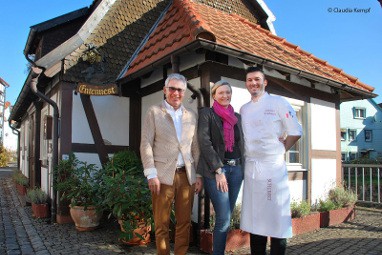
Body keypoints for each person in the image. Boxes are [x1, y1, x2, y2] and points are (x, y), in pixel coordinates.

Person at [240, 66, 302, 255]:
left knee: (276, 219)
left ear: (265, 82)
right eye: (250, 80)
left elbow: (296, 131)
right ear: (246, 84)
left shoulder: (278, 103)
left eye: (257, 79)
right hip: (252, 168)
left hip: (272, 167)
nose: (254, 83)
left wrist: (282, 148)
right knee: (255, 219)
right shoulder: (244, 109)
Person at [140, 73, 203, 255]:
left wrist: (197, 175)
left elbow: (196, 147)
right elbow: (146, 143)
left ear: (184, 92)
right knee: (161, 223)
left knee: (184, 223)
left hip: (186, 176)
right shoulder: (154, 112)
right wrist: (151, 173)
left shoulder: (191, 115)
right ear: (165, 90)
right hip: (162, 176)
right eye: (172, 88)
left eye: (180, 90)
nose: (176, 93)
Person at [197, 80, 244, 255]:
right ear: (214, 95)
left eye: (228, 92)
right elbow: (204, 142)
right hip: (217, 171)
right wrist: (218, 169)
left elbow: (245, 142)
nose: (225, 95)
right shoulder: (207, 114)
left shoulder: (237, 117)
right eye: (221, 92)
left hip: (237, 170)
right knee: (223, 219)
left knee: (226, 217)